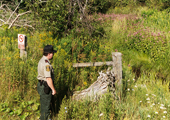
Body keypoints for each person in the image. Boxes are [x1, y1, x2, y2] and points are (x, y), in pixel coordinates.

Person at [37, 45, 57, 120]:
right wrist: (53, 89)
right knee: (46, 108)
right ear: (49, 54)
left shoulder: (42, 60)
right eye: (52, 53)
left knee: (44, 105)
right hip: (46, 87)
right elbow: (48, 79)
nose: (53, 55)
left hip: (41, 85)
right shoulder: (46, 64)